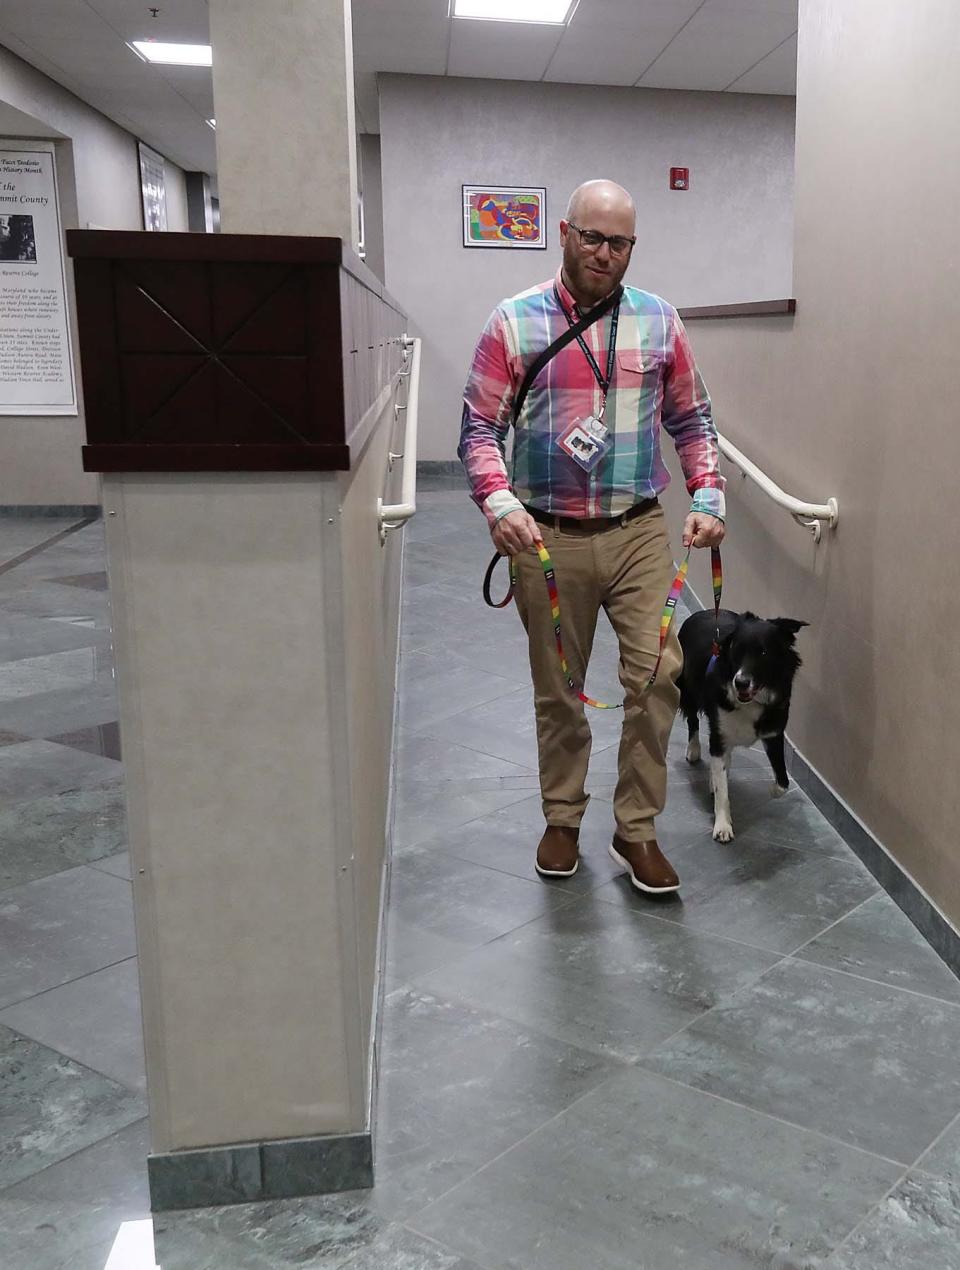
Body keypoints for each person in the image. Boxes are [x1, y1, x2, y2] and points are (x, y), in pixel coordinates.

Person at [459, 179, 725, 895]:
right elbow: (479, 430)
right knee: (559, 688)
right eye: (592, 237)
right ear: (565, 232)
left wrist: (707, 491)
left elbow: (692, 421)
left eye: (620, 242)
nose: (605, 253)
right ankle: (563, 816)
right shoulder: (513, 323)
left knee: (660, 675)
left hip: (638, 530)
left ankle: (635, 827)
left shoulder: (659, 321)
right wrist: (497, 500)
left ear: (632, 246)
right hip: (546, 538)